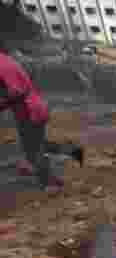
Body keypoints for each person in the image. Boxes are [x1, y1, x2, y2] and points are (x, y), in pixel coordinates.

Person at [0, 43, 84, 190]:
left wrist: (2, 104)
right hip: (30, 108)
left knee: (34, 148)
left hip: (29, 110)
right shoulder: (5, 60)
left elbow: (16, 91)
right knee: (33, 146)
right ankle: (70, 151)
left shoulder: (3, 65)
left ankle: (50, 181)